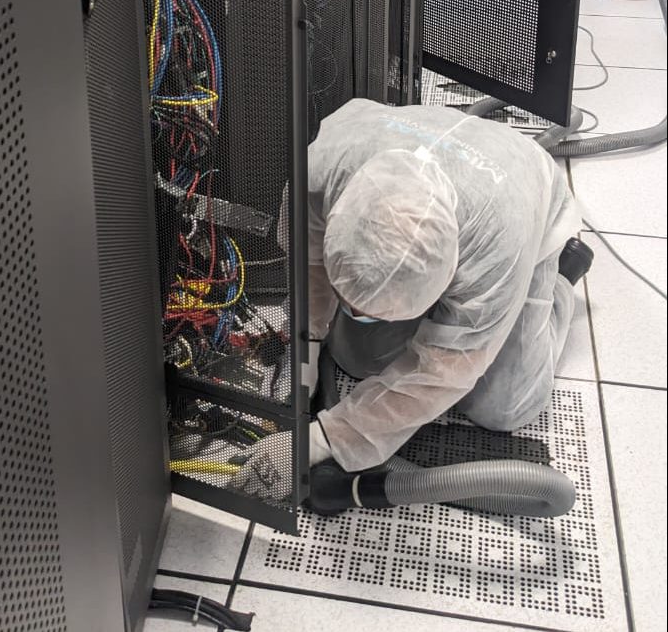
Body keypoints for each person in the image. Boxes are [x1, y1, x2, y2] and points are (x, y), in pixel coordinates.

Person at [231, 98, 588, 499]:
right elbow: (310, 257)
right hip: (413, 145)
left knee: (502, 408)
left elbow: (446, 372)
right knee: (356, 358)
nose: (355, 313)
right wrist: (308, 343)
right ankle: (412, 307)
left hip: (526, 207)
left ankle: (561, 283)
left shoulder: (499, 249)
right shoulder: (324, 171)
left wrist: (322, 441)